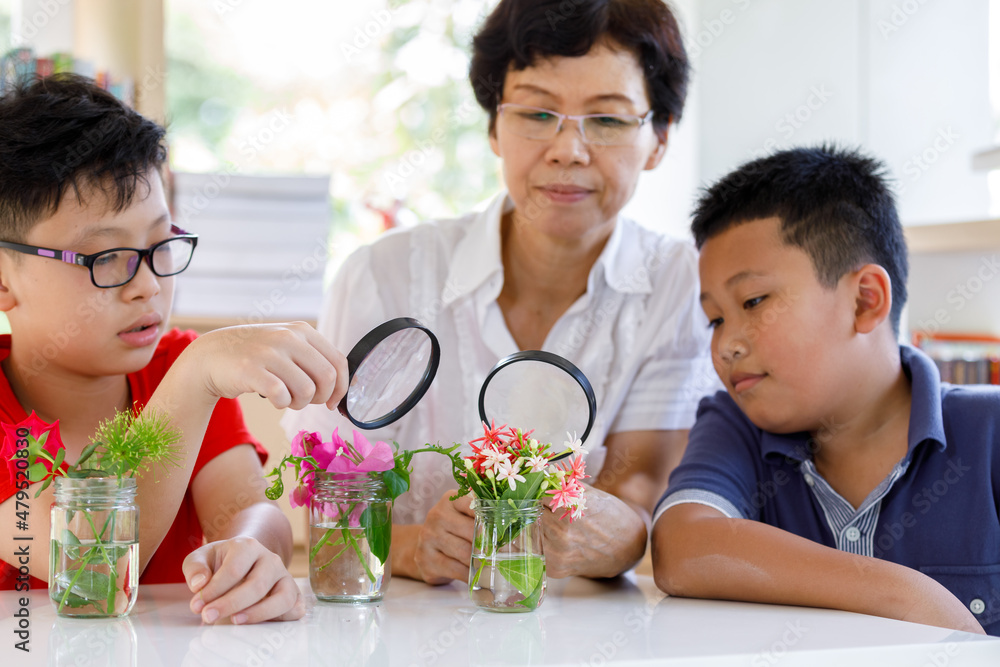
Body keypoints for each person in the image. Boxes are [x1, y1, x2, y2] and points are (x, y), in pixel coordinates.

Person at [285, 0, 714, 584]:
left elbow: (640, 492)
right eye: (537, 113)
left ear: (659, 139)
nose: (568, 149)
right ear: (493, 127)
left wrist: (618, 539)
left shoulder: (678, 282)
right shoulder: (383, 275)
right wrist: (413, 547)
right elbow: (330, 513)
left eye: (608, 120)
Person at [0, 75, 349, 625]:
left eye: (160, 244)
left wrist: (249, 551)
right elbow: (91, 570)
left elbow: (249, 508)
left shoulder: (173, 364)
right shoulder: (187, 374)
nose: (147, 286)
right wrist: (196, 376)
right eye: (107, 256)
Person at [650, 144, 995, 635]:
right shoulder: (735, 426)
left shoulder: (990, 434)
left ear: (864, 301)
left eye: (753, 301)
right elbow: (682, 546)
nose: (725, 345)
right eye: (715, 320)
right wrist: (906, 595)